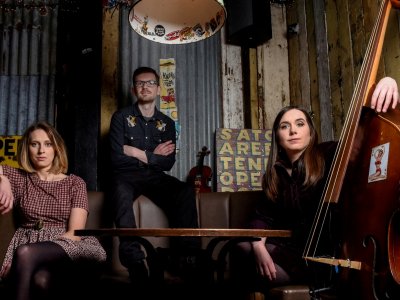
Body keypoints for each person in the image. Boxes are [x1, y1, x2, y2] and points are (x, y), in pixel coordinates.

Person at [231, 76, 399, 297]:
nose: (293, 131)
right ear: (278, 138)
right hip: (297, 251)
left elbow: (361, 137)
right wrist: (258, 246)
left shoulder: (328, 154)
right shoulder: (275, 175)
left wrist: (387, 82)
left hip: (329, 253)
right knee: (240, 248)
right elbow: (262, 216)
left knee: (247, 258)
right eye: (285, 126)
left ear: (310, 132)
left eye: (300, 124)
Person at [109, 66, 201, 288]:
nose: (145, 87)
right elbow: (115, 158)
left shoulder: (167, 124)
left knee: (185, 191)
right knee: (119, 192)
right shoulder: (121, 117)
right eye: (140, 83)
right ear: (133, 89)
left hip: (155, 177)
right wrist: (152, 156)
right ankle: (135, 262)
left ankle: (186, 258)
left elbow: (167, 163)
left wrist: (135, 151)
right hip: (126, 176)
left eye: (150, 83)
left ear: (158, 89)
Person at [0, 121, 107, 300]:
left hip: (68, 244)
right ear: (27, 148)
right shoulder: (20, 178)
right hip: (28, 241)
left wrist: (24, 259)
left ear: (56, 148)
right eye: (35, 144)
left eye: (48, 144)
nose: (41, 150)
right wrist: (3, 179)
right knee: (41, 280)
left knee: (25, 253)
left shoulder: (75, 183)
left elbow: (75, 232)